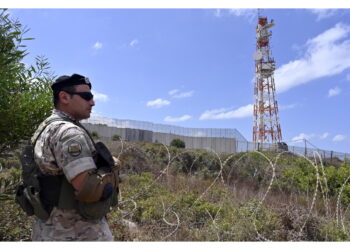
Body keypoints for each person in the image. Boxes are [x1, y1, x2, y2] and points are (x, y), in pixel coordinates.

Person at [30, 73, 119, 241]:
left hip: (48, 229)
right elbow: (88, 189)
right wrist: (111, 168)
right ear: (64, 97)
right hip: (76, 232)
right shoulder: (69, 133)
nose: (92, 102)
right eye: (86, 96)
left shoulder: (46, 126)